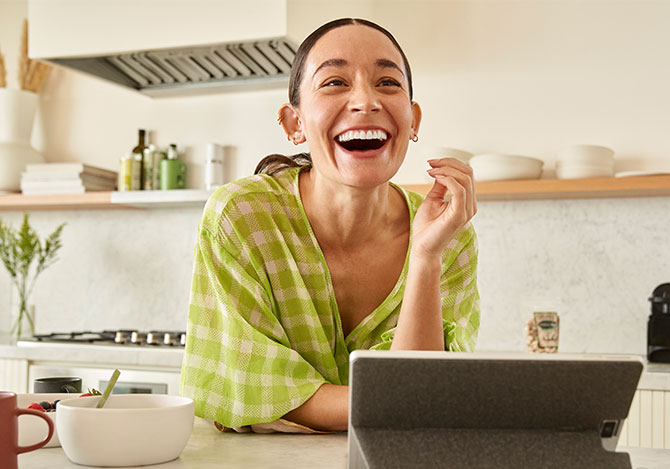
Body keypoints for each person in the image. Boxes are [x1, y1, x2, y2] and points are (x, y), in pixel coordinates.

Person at [180, 18, 479, 432]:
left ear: (413, 121)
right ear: (294, 123)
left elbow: (421, 392)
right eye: (335, 82)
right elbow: (254, 388)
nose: (365, 101)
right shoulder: (241, 217)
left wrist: (426, 256)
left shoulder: (449, 231)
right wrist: (391, 401)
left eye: (387, 83)